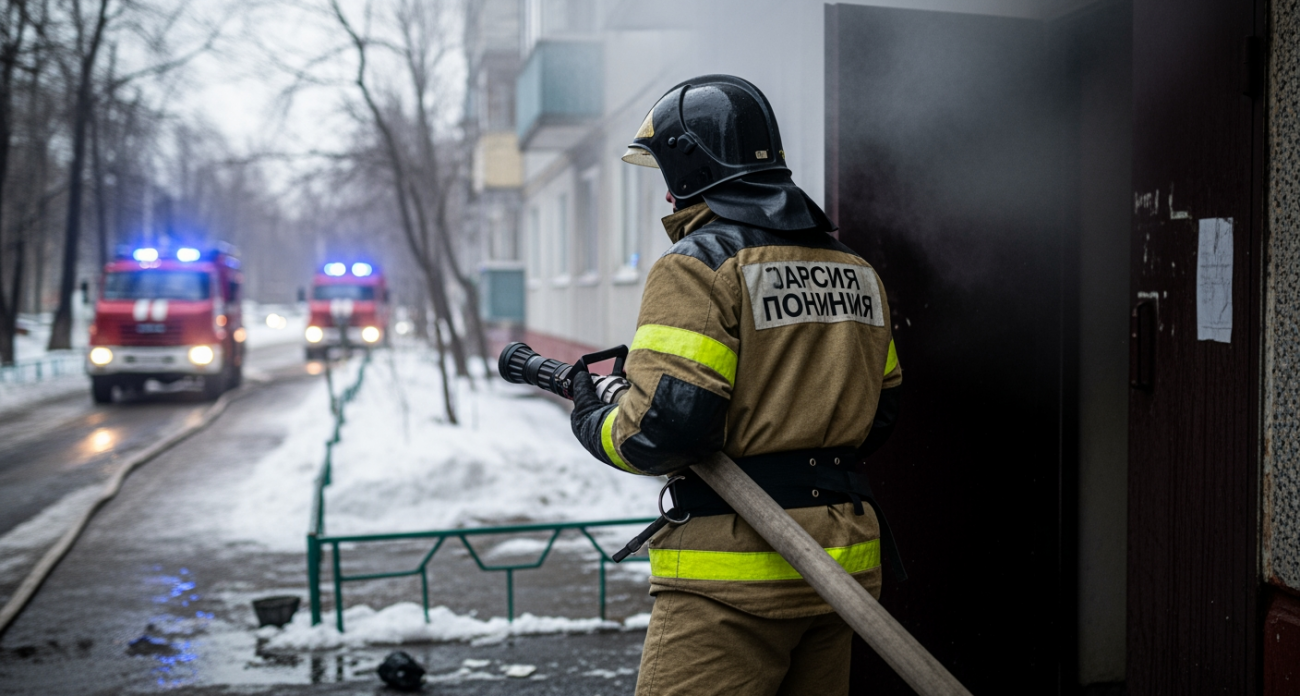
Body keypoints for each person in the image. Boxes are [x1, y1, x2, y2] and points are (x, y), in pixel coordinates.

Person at [567, 74, 903, 696]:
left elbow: (661, 432)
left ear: (690, 168)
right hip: (841, 570)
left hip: (731, 580)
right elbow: (879, 414)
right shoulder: (857, 270)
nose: (666, 191)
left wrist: (592, 420)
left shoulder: (698, 265)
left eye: (667, 172)